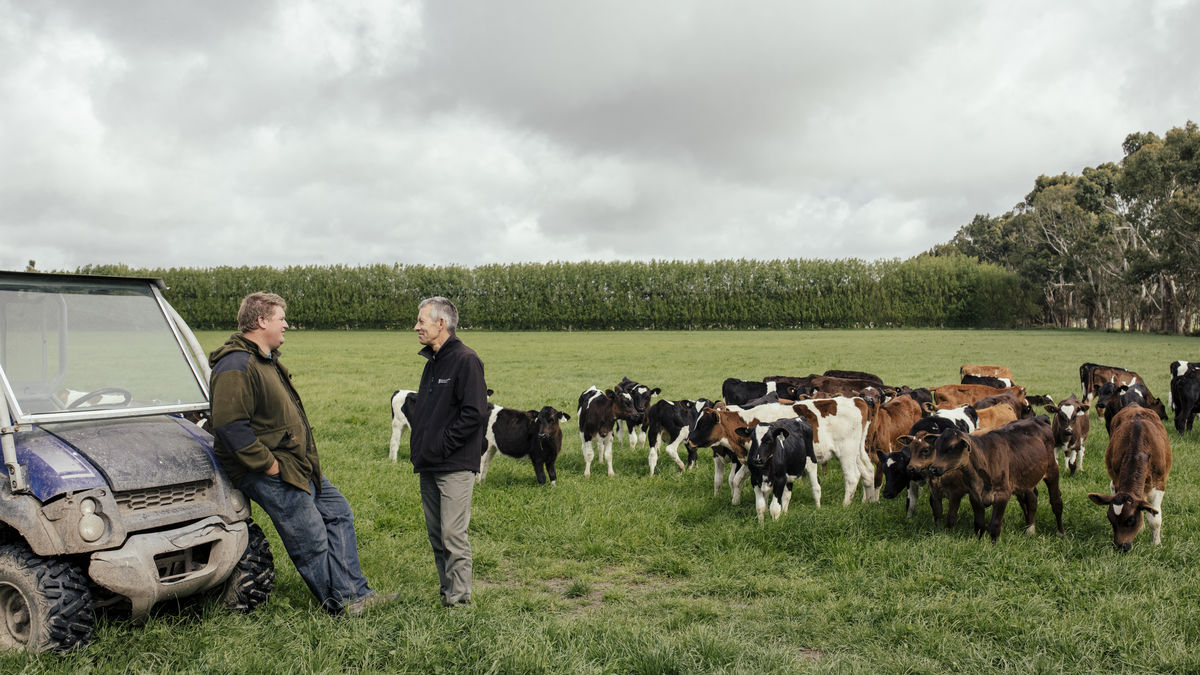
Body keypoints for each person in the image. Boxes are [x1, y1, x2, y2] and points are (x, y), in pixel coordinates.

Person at [209, 292, 395, 616]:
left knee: (338, 512)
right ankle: (340, 605)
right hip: (267, 468)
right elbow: (229, 425)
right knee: (311, 537)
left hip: (296, 464)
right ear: (261, 320)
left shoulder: (266, 359)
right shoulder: (235, 365)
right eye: (281, 318)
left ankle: (354, 592)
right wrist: (267, 465)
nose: (286, 325)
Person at [410, 296, 488, 608]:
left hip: (454, 465)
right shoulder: (433, 361)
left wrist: (443, 445)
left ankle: (459, 603)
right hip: (429, 464)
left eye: (421, 321)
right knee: (437, 535)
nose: (416, 327)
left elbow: (474, 414)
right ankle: (448, 593)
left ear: (441, 324)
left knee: (453, 536)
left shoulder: (466, 360)